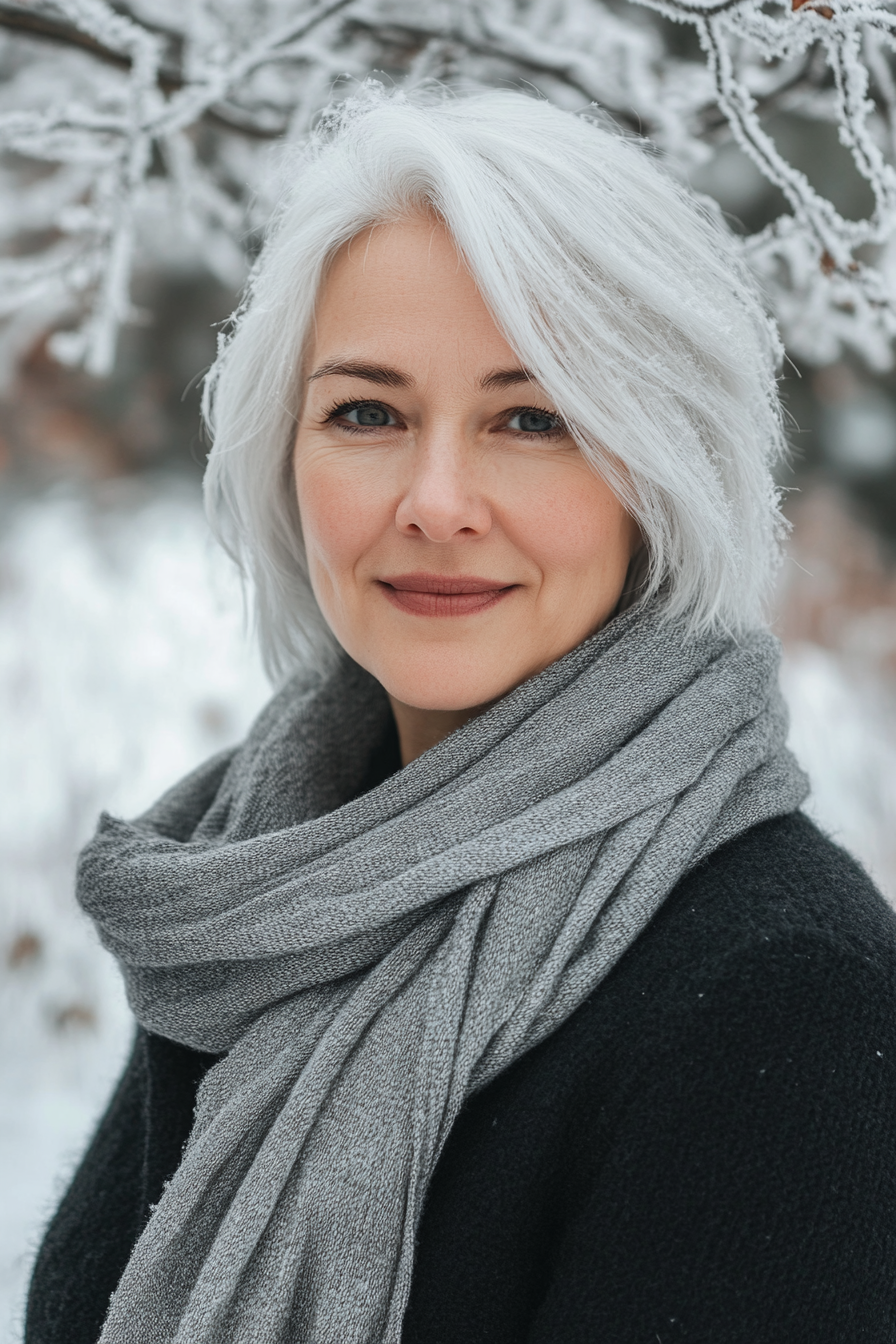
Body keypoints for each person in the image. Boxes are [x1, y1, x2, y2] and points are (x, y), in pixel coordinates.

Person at [26, 84, 896, 1344]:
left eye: (532, 419)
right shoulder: (252, 900)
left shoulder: (785, 1007)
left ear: (660, 472)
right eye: (367, 412)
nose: (436, 500)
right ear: (284, 453)